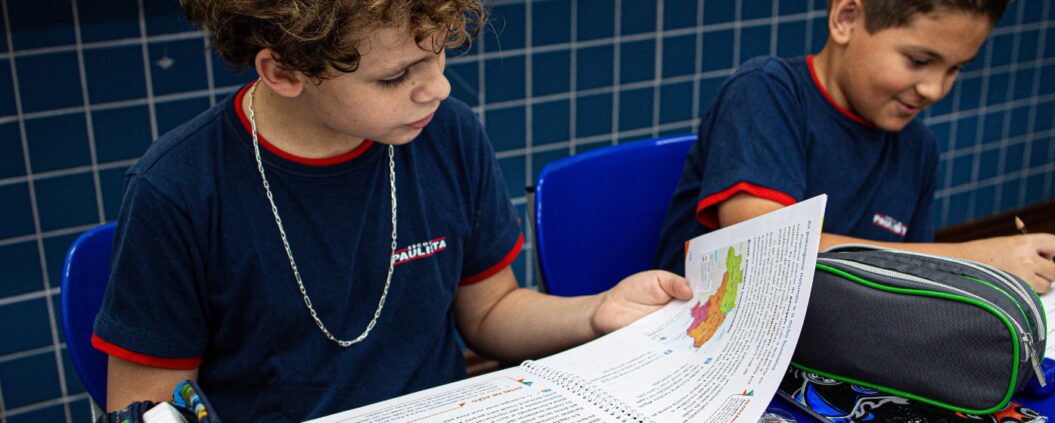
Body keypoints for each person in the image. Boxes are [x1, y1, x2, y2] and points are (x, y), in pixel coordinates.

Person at [92, 1, 691, 421]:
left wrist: (597, 312)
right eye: (396, 76)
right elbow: (150, 405)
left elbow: (491, 312)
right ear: (284, 73)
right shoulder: (179, 190)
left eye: (438, 56)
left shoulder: (446, 133)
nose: (438, 88)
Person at [654, 0, 1055, 293]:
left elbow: (909, 277)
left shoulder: (919, 147)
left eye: (954, 68)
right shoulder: (765, 92)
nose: (934, 89)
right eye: (919, 61)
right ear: (846, 18)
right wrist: (970, 260)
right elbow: (767, 251)